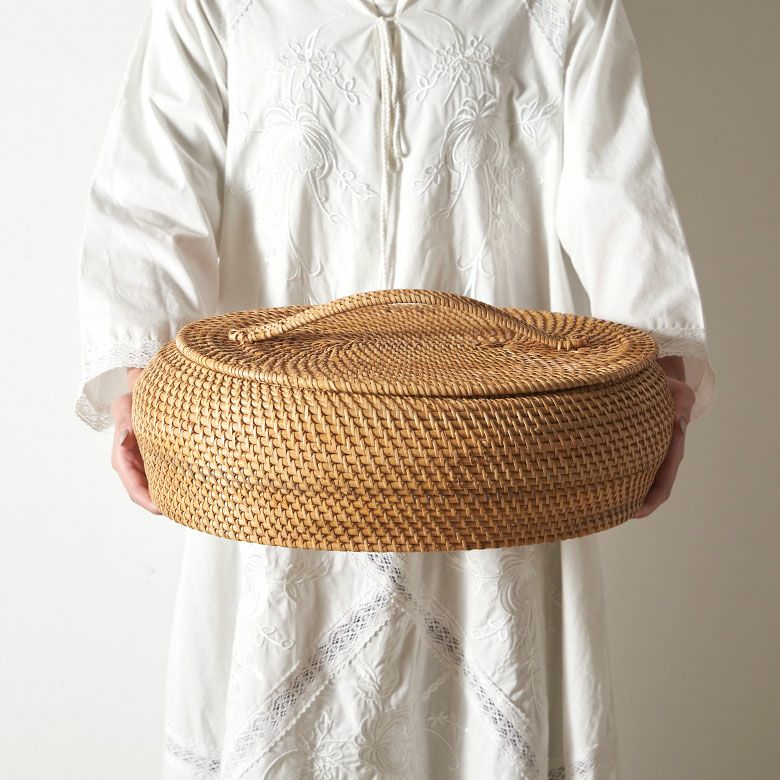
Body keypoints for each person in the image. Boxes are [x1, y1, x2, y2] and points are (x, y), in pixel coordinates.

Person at [74, 0, 716, 777]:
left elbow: (624, 201)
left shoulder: (561, 11)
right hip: (276, 459)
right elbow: (148, 202)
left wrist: (664, 389)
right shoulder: (211, 9)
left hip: (500, 458)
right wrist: (142, 387)